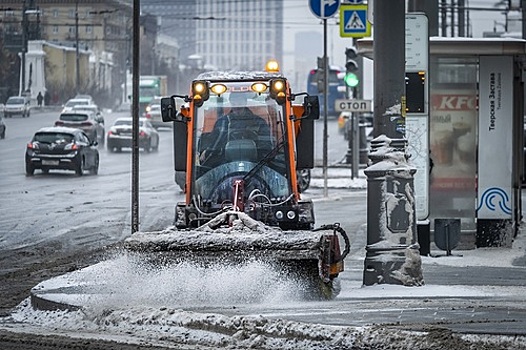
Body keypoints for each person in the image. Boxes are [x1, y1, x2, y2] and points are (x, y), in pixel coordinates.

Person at [200, 93, 272, 166]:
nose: (237, 104)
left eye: (240, 100)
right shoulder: (222, 122)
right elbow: (215, 145)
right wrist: (206, 153)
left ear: (245, 102)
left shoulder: (259, 122)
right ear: (231, 102)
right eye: (234, 101)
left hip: (255, 167)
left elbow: (266, 147)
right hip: (225, 167)